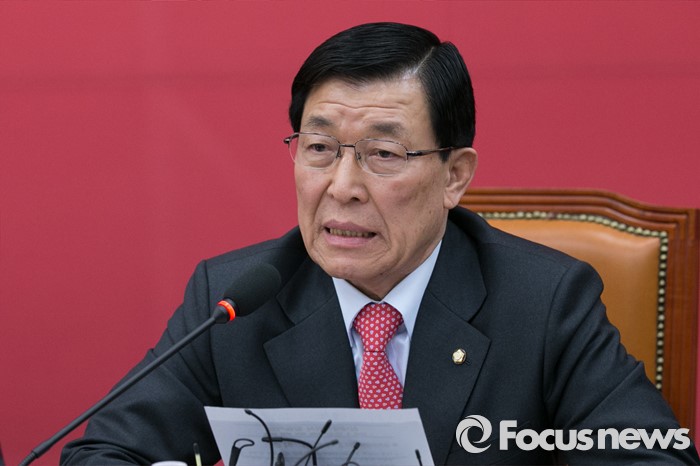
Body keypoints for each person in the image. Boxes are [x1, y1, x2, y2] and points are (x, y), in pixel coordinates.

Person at [61, 22, 698, 465]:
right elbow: (104, 454)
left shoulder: (544, 301)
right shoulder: (234, 301)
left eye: (383, 154)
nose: (342, 187)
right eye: (319, 149)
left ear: (454, 176)